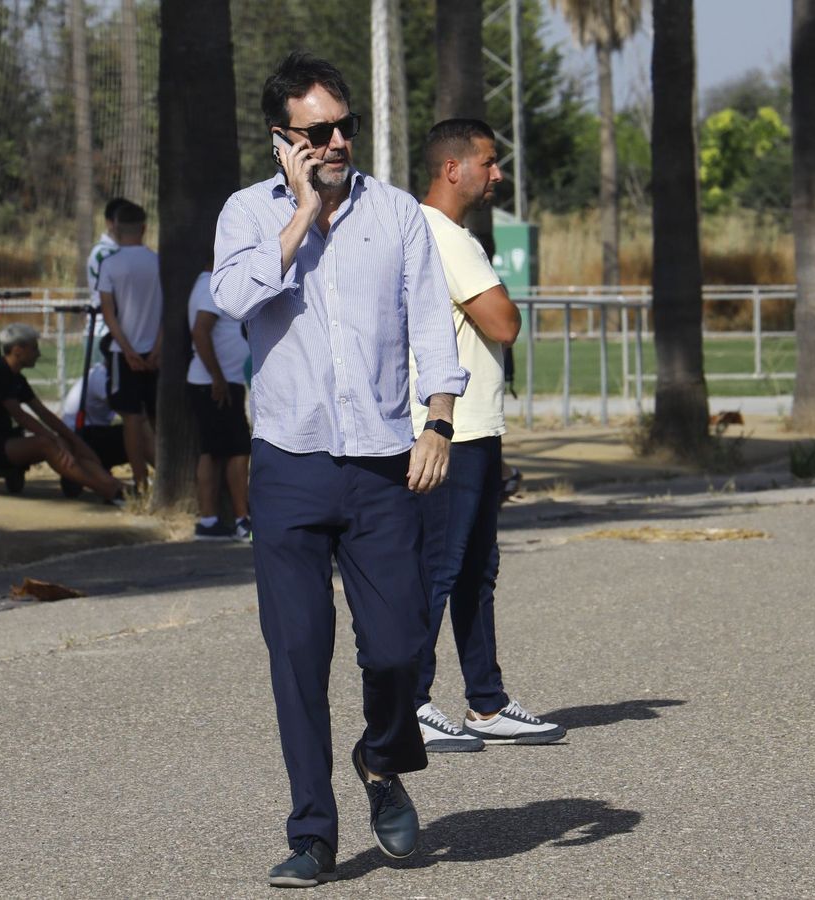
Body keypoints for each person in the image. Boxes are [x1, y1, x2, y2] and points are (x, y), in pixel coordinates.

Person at [211, 51, 467, 887]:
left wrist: (438, 421)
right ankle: (312, 833)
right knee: (298, 656)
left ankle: (382, 760)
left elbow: (433, 325)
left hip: (384, 463)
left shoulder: (395, 214)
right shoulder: (247, 214)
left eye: (345, 125)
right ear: (283, 138)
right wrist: (300, 216)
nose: (338, 141)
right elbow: (235, 299)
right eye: (318, 131)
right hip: (288, 464)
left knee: (397, 648)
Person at [410, 119, 564, 753]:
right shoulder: (446, 236)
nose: (497, 174)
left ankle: (486, 703)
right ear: (453, 169)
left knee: (475, 568)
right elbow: (504, 322)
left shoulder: (431, 233)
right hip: (452, 432)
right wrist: (504, 297)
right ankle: (408, 703)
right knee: (438, 569)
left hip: (474, 428)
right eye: (489, 162)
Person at [0, 323, 127, 504]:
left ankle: (114, 485)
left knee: (68, 443)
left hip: (9, 440)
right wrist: (55, 440)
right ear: (17, 350)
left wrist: (75, 441)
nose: (38, 354)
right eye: (34, 348)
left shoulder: (17, 377)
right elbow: (20, 416)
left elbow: (43, 412)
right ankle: (106, 490)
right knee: (46, 444)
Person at [94, 201, 161, 492]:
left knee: (132, 419)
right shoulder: (159, 262)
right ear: (144, 228)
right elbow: (170, 310)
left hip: (124, 354)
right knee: (157, 418)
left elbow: (109, 313)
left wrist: (128, 350)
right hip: (157, 353)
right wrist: (158, 349)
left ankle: (140, 482)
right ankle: (166, 482)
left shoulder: (109, 264)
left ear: (115, 227)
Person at [186, 269, 251, 542]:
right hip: (215, 384)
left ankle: (213, 521)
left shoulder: (221, 280)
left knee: (218, 451)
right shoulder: (212, 283)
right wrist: (217, 377)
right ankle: (238, 520)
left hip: (225, 382)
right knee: (236, 450)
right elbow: (200, 331)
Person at [58, 336, 125, 472]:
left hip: (88, 432)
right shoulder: (100, 378)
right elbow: (128, 412)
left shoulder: (101, 373)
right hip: (83, 435)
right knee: (137, 432)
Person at [86, 197, 130, 295]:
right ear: (109, 223)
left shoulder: (122, 249)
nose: (128, 225)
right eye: (124, 220)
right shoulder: (103, 252)